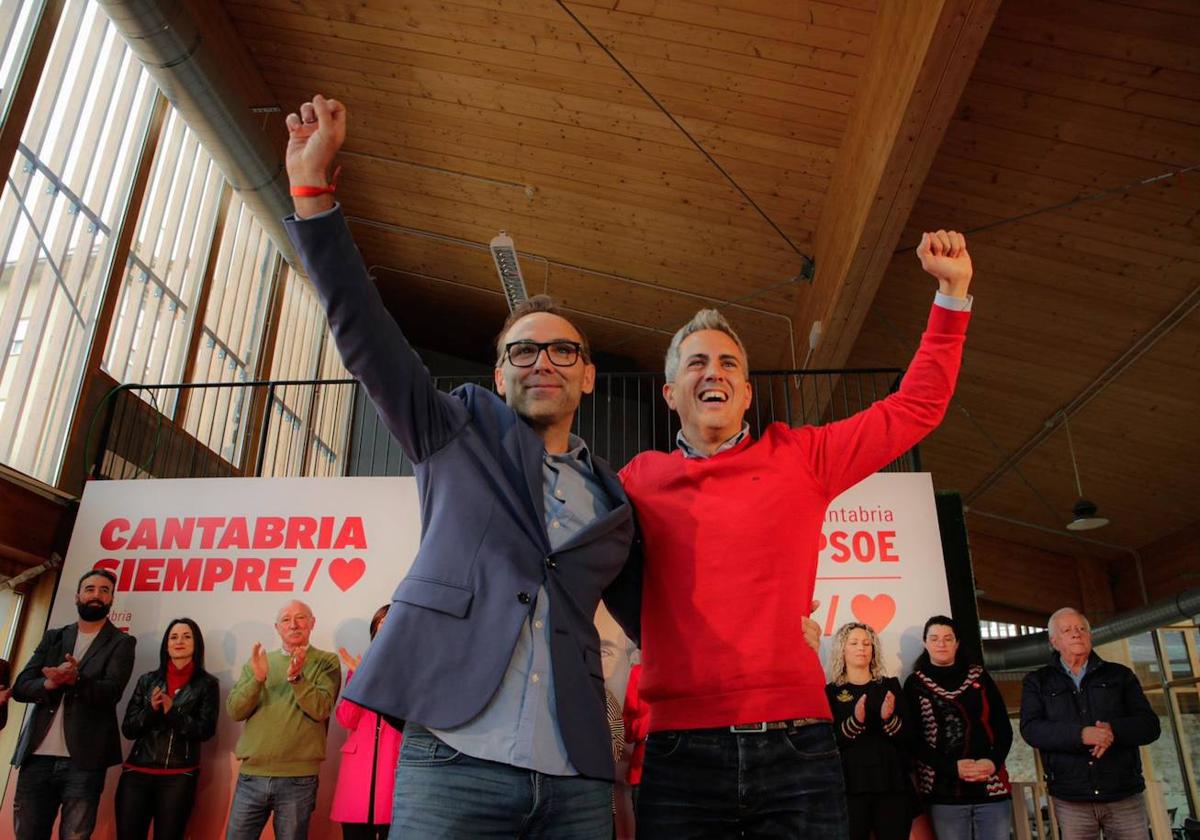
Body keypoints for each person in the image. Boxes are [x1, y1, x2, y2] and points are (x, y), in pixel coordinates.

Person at [281, 93, 642, 840]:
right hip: (453, 761)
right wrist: (314, 198)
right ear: (498, 371)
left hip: (575, 773)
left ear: (589, 376)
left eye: (562, 350)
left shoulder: (616, 500)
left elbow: (660, 618)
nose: (542, 361)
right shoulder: (454, 429)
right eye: (523, 350)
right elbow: (366, 333)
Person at [618, 229, 974, 838]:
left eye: (729, 363)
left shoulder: (800, 456)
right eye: (697, 363)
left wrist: (952, 292)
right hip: (680, 753)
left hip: (798, 748)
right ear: (670, 392)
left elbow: (916, 406)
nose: (715, 372)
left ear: (748, 392)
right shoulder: (637, 481)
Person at [10, 568, 136, 840]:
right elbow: (21, 686)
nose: (96, 595)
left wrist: (77, 679)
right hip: (37, 757)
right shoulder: (54, 636)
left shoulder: (122, 642)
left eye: (105, 591)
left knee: (76, 836)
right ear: (78, 596)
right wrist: (48, 684)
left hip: (84, 762)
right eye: (90, 589)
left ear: (111, 600)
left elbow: (111, 692)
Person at [1019, 607, 1160, 840]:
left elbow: (1150, 725)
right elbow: (1032, 730)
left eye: (1081, 628)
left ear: (1090, 636)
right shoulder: (1037, 682)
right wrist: (1081, 735)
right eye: (1067, 630)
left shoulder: (1120, 675)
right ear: (1054, 641)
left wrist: (1113, 730)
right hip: (1071, 797)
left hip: (1123, 793)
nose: (1076, 634)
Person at [225, 599, 341, 840]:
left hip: (298, 780)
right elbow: (235, 711)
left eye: (300, 618)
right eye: (286, 619)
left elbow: (321, 709)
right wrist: (257, 680)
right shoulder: (259, 662)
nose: (294, 624)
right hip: (252, 776)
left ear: (312, 623)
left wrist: (298, 679)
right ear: (277, 627)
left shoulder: (326, 661)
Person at [903, 615, 1013, 840]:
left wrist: (991, 763)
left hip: (990, 788)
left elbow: (1003, 728)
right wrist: (951, 768)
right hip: (944, 792)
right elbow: (913, 740)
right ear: (925, 643)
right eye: (934, 639)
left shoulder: (979, 676)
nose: (941, 644)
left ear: (957, 643)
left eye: (947, 638)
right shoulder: (915, 684)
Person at [116, 617, 219, 840]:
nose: (179, 641)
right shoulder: (147, 680)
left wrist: (173, 712)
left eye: (186, 636)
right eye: (173, 637)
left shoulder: (207, 684)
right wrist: (151, 710)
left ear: (196, 644)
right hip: (136, 774)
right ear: (166, 644)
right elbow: (129, 729)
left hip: (178, 777)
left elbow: (205, 730)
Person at [825, 622, 917, 840]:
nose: (861, 648)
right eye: (854, 643)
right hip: (849, 785)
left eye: (867, 643)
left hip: (891, 782)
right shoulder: (831, 692)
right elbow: (829, 740)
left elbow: (910, 736)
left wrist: (889, 719)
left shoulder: (890, 686)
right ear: (842, 649)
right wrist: (855, 721)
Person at [332, 605, 402, 840]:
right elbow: (346, 719)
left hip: (394, 765)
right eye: (381, 622)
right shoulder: (359, 666)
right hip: (358, 771)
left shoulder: (411, 667)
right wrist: (359, 680)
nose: (386, 625)